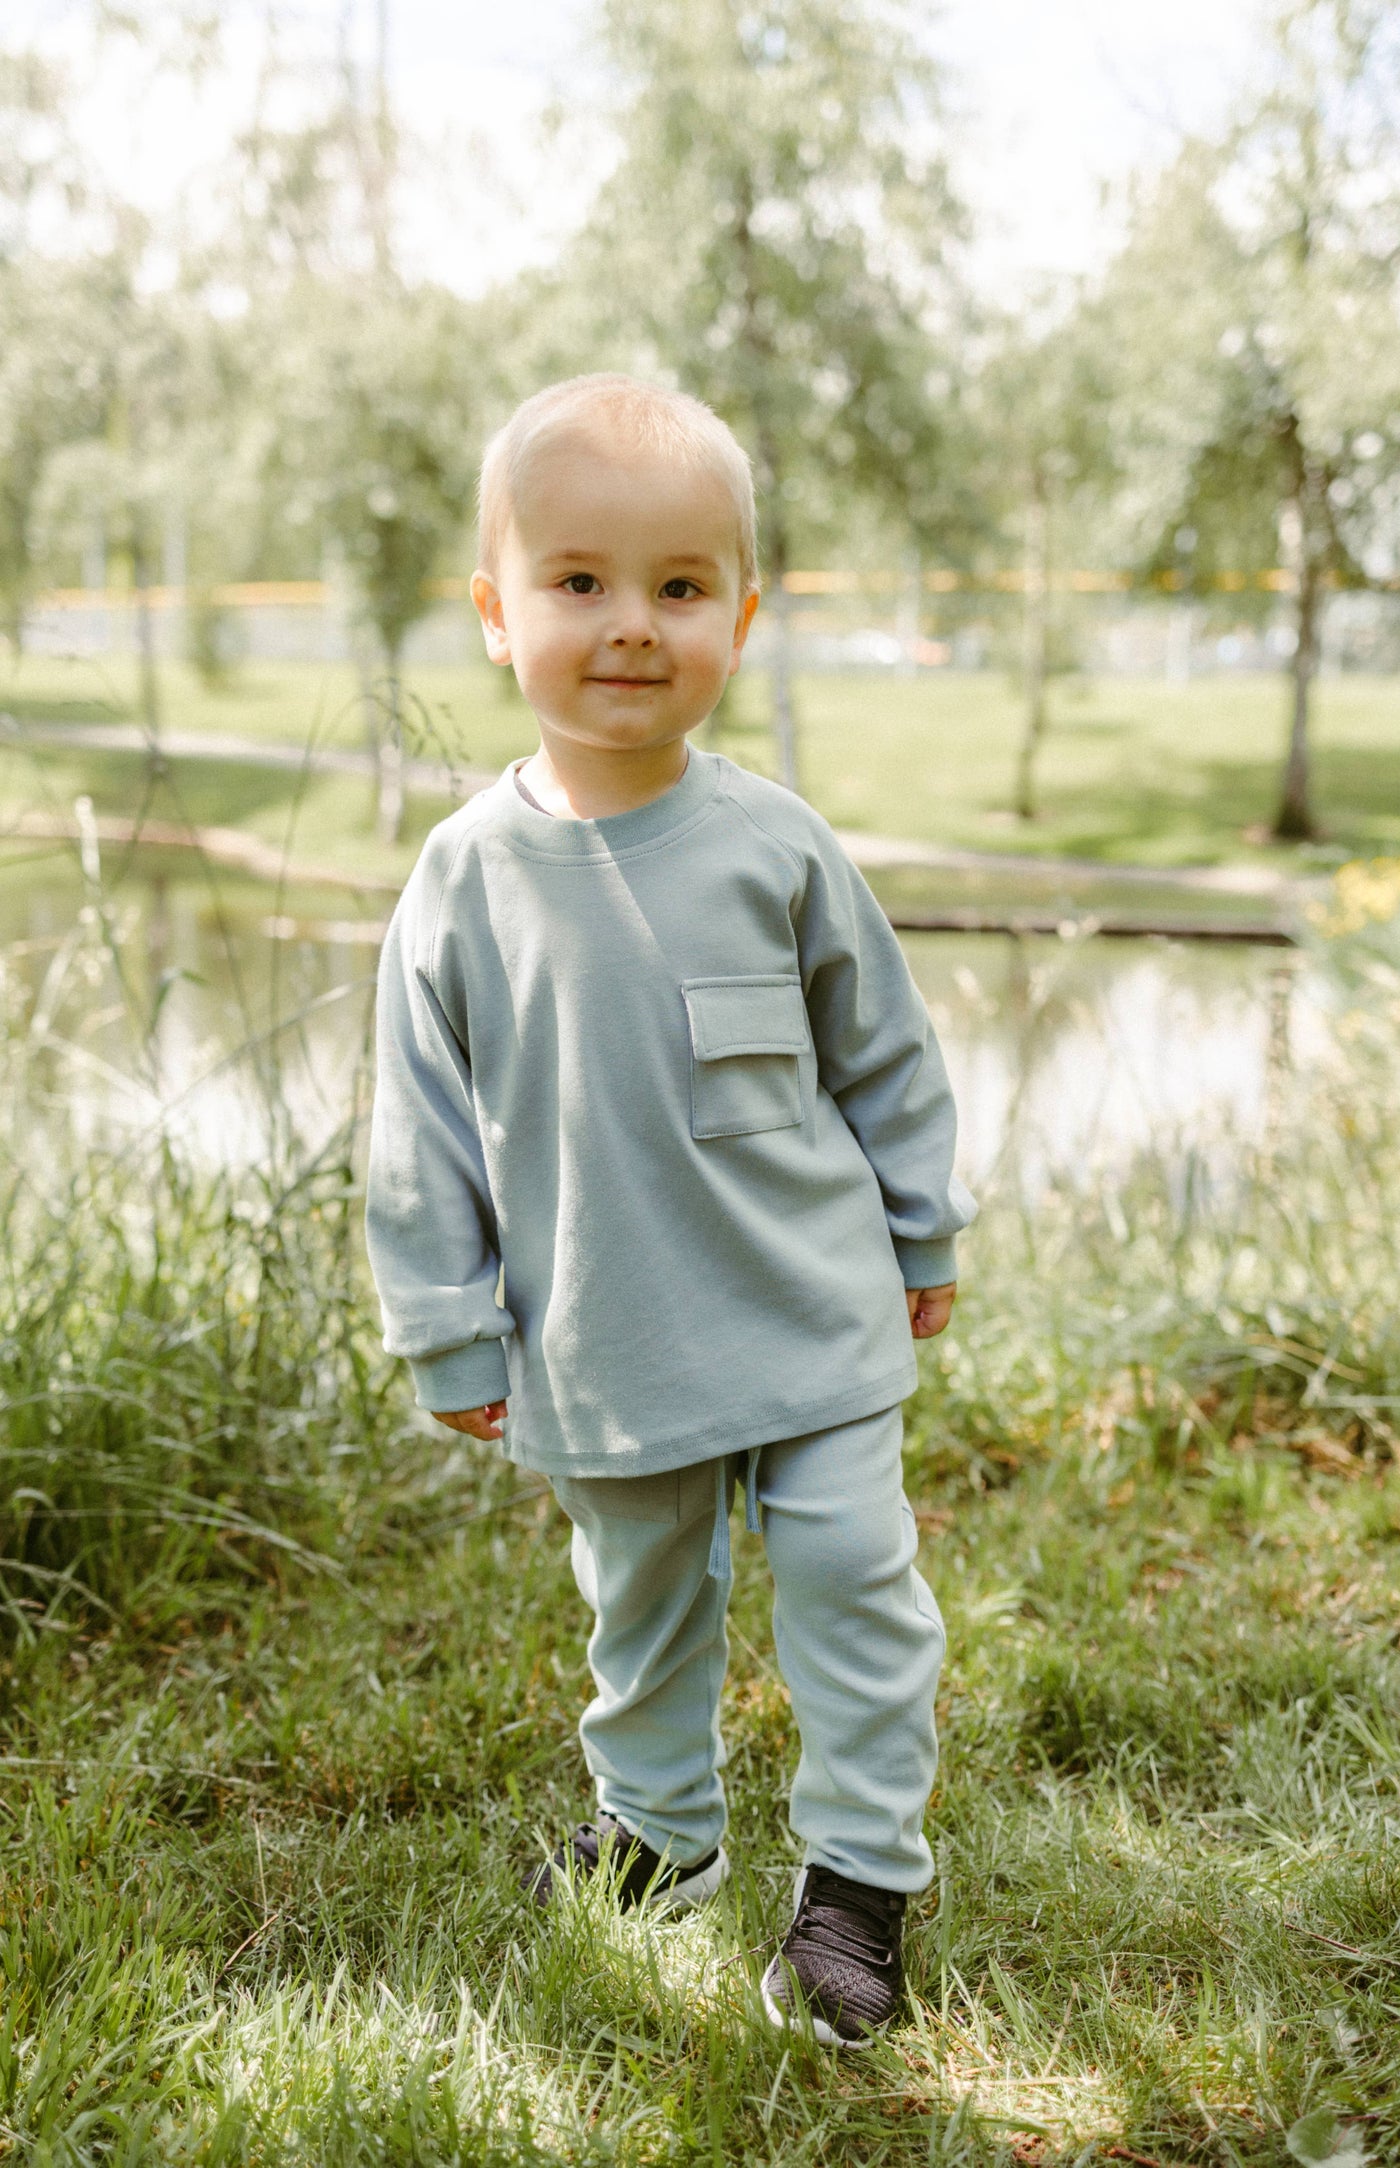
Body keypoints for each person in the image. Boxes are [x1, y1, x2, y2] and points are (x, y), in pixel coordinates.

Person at [365, 373, 976, 2047]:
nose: (629, 625)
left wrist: (923, 1231)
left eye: (679, 587)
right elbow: (414, 1128)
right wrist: (444, 1318)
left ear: (740, 617)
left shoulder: (776, 848)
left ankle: (856, 1882)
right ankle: (659, 1834)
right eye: (578, 583)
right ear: (497, 614)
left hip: (813, 1309)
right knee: (639, 1610)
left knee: (857, 1583)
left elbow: (888, 1056)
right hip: (604, 1332)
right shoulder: (465, 880)